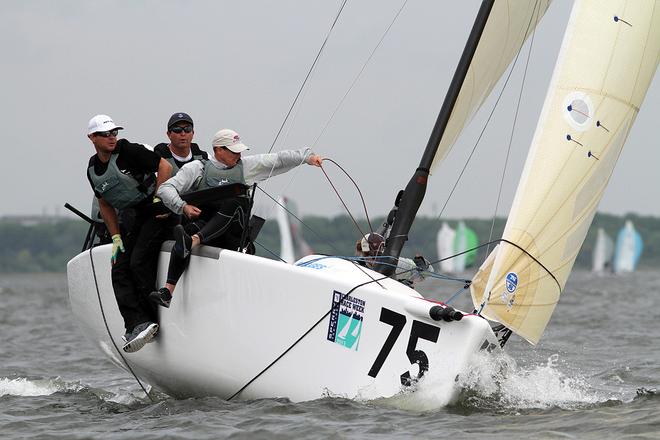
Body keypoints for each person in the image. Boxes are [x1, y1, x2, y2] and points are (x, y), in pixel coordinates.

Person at [149, 128, 323, 308]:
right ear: (218, 150)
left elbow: (278, 159)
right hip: (208, 230)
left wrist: (308, 157)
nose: (238, 155)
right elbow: (164, 189)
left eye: (240, 150)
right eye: (233, 151)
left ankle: (193, 241)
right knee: (185, 233)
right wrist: (183, 207)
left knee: (235, 202)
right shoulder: (198, 168)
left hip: (234, 235)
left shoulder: (247, 166)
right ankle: (167, 292)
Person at [86, 114, 174, 353]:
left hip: (156, 211)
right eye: (105, 134)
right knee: (119, 267)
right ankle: (136, 323)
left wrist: (159, 197)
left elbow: (164, 166)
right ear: (92, 138)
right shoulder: (92, 169)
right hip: (132, 216)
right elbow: (104, 204)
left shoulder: (127, 150)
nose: (112, 137)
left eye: (114, 132)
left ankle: (152, 318)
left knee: (138, 262)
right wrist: (115, 238)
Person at [355, 232, 434, 287]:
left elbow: (429, 272)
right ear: (363, 253)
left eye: (378, 255)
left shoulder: (395, 263)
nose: (373, 259)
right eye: (369, 254)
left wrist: (423, 264)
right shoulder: (356, 267)